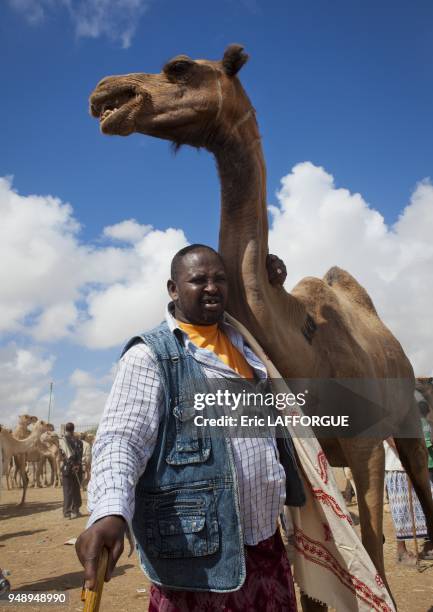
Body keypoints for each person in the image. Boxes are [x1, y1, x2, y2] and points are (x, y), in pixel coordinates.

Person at [75, 244, 304, 611]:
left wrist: (269, 280)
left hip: (265, 547)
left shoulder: (248, 347)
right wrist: (110, 511)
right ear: (173, 288)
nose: (211, 287)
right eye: (198, 279)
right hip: (198, 563)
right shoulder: (151, 356)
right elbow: (122, 440)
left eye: (219, 279)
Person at [384, 436, 433, 564]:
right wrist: (404, 455)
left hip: (416, 464)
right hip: (397, 464)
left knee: (426, 507)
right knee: (401, 509)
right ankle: (401, 552)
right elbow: (389, 437)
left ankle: (429, 546)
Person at [59, 422, 83, 519]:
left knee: (67, 490)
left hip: (67, 469)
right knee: (76, 490)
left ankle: (67, 512)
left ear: (65, 429)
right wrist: (77, 466)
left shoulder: (62, 441)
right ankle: (76, 510)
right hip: (77, 469)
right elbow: (80, 456)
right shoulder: (79, 442)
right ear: (73, 429)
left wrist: (71, 464)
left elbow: (63, 455)